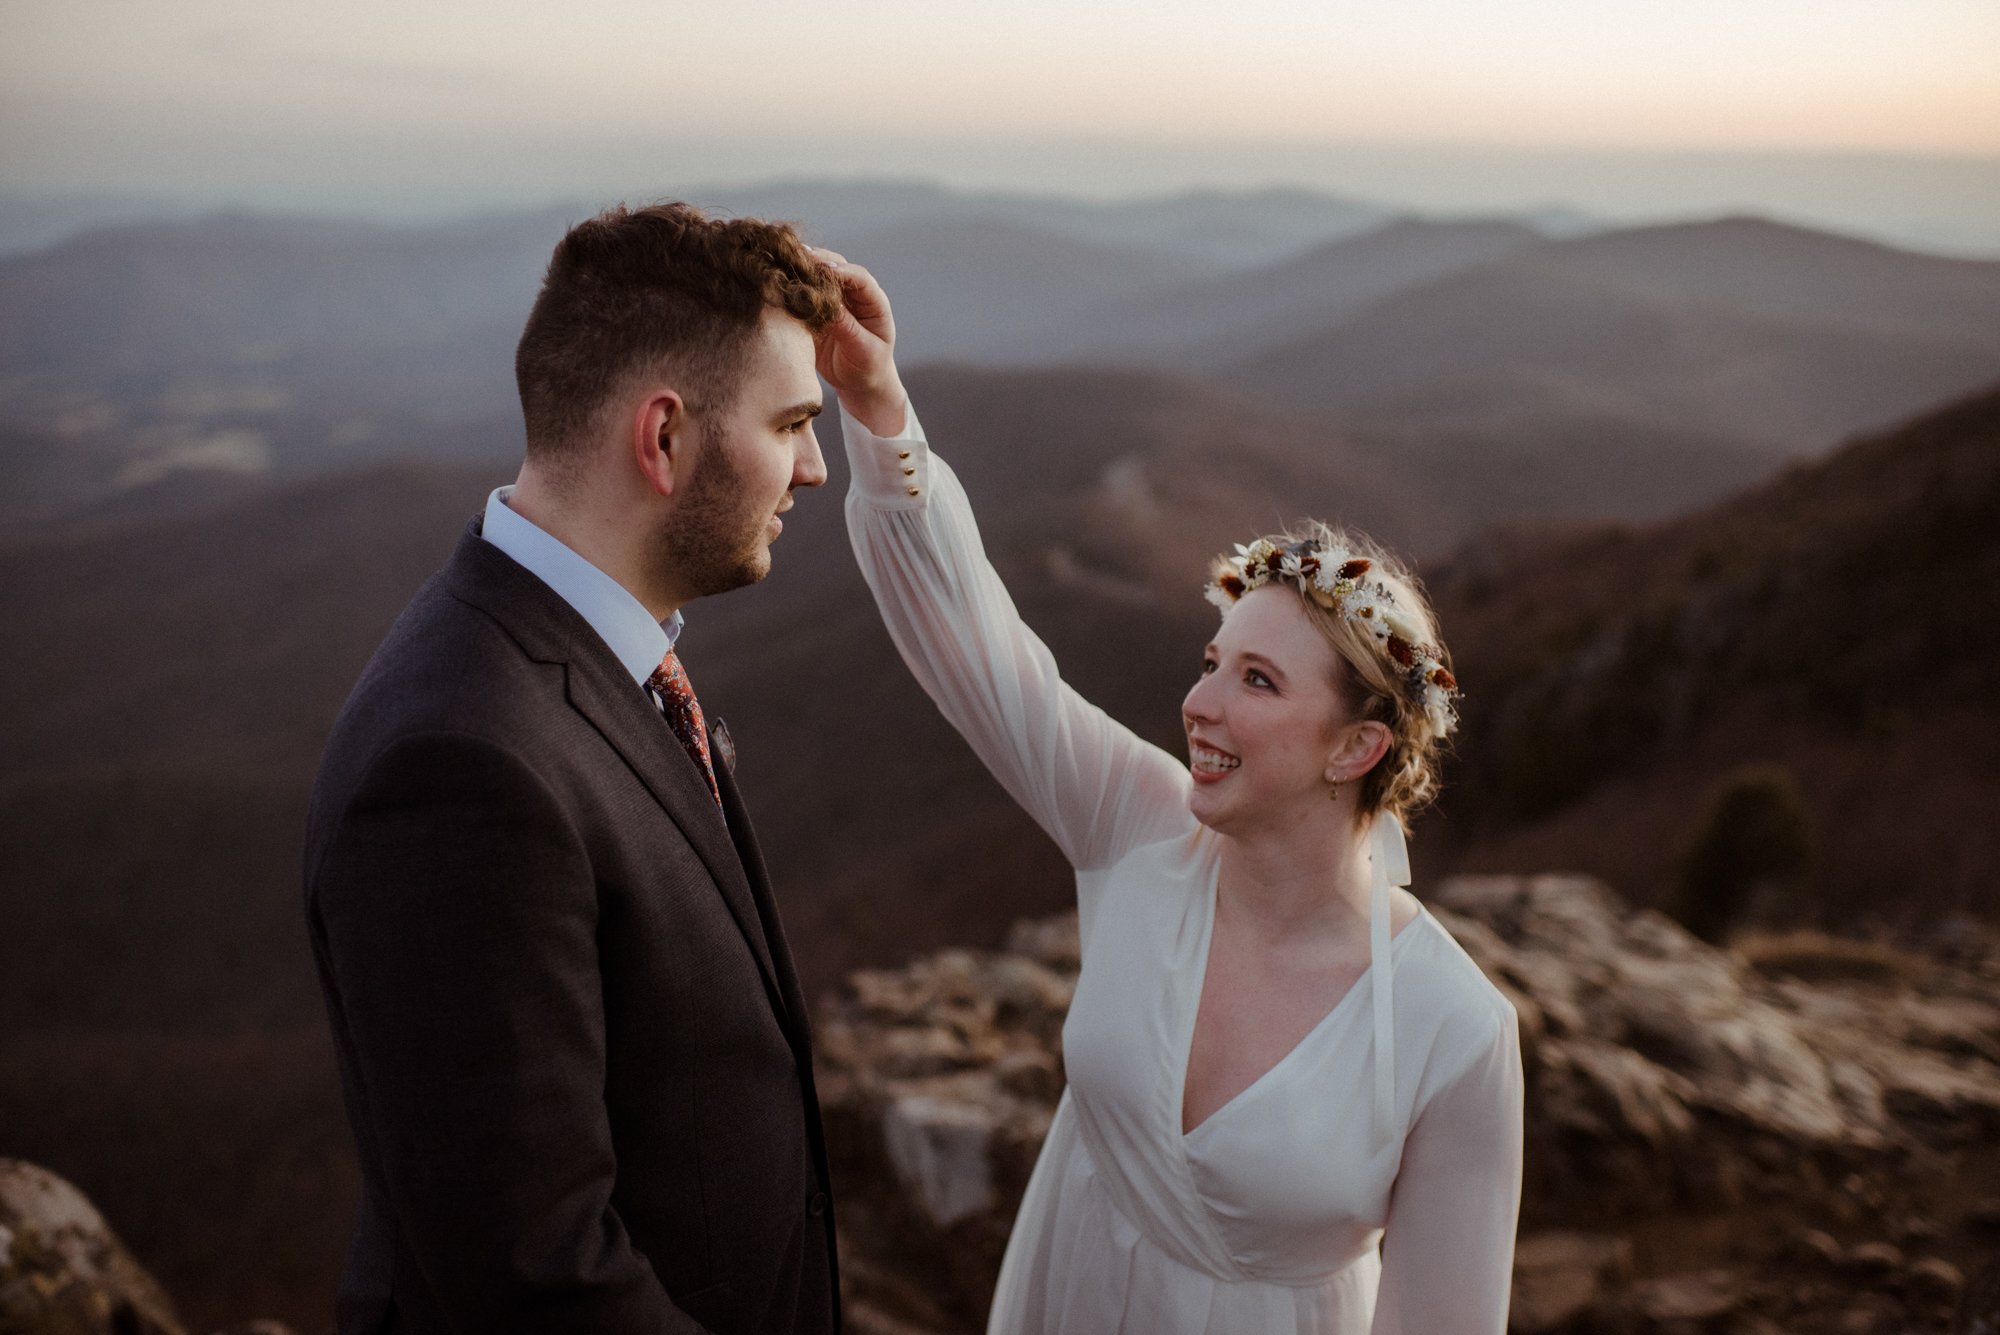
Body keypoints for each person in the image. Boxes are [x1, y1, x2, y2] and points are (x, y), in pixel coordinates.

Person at [822, 250, 1525, 1332]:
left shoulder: (1452, 1033)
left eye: (1255, 681)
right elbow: (978, 650)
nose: (1199, 704)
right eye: (1209, 663)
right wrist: (878, 408)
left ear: (1354, 748)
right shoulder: (1134, 825)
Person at [303, 202, 904, 1333]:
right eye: (790, 424)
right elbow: (533, 1277)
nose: (816, 470)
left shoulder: (587, 660)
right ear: (663, 436)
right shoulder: (461, 763)